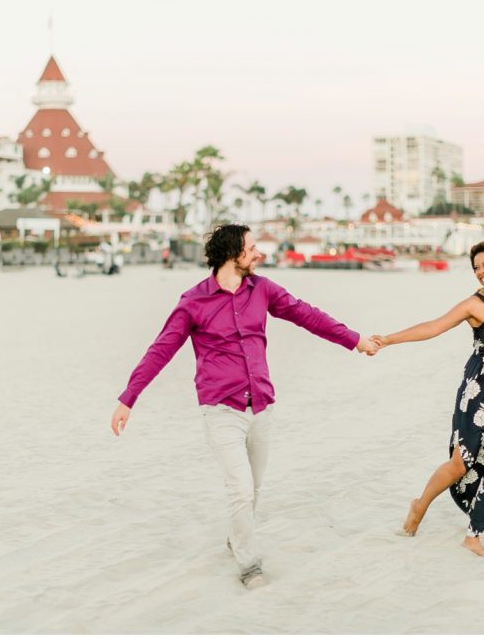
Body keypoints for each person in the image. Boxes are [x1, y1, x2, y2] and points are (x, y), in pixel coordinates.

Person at [111, 224, 380, 589]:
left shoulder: (263, 290)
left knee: (251, 489)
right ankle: (250, 566)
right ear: (231, 254)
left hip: (262, 406)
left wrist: (355, 340)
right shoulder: (193, 302)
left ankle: (236, 536)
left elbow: (308, 315)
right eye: (252, 248)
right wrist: (129, 397)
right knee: (239, 488)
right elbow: (161, 350)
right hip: (221, 410)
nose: (259, 254)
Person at [371, 240, 484, 557]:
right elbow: (434, 326)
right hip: (479, 392)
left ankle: (474, 535)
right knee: (461, 464)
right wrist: (389, 340)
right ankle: (419, 506)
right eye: (475, 268)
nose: (481, 272)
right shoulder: (475, 306)